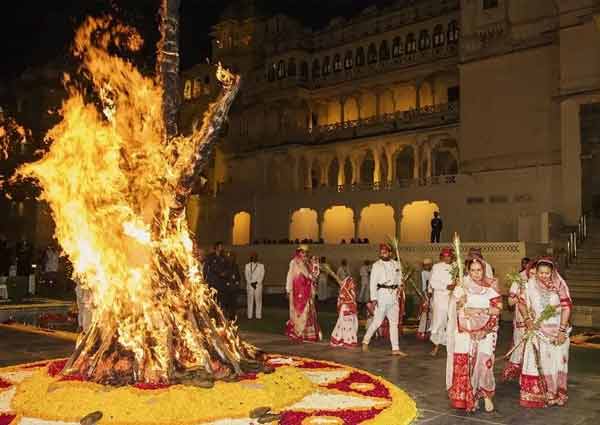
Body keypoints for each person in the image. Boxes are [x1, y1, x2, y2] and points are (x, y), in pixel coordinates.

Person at [446, 257, 502, 412]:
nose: (476, 274)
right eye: (472, 270)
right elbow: (457, 311)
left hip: (487, 330)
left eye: (479, 270)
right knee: (469, 363)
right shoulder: (462, 286)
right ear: (468, 271)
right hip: (466, 331)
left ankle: (486, 396)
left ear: (484, 270)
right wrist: (460, 302)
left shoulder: (492, 285)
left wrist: (479, 312)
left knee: (484, 363)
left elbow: (497, 310)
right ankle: (472, 396)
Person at [517, 257, 572, 408]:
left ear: (552, 272)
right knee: (540, 362)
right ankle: (540, 394)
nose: (544, 276)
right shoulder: (529, 285)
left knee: (556, 362)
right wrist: (528, 320)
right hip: (538, 330)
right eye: (541, 273)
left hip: (557, 331)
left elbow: (566, 307)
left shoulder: (559, 285)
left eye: (547, 273)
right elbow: (521, 303)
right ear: (536, 272)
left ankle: (556, 393)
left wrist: (562, 330)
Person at [362, 243, 406, 356]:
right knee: (377, 321)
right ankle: (365, 341)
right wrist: (374, 299)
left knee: (394, 323)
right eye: (381, 252)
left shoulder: (396, 264)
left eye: (385, 252)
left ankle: (395, 348)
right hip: (381, 295)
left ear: (390, 253)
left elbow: (399, 279)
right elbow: (372, 283)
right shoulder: (376, 265)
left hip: (394, 296)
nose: (383, 254)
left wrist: (401, 284)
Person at [503, 260, 536, 381]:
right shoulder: (519, 279)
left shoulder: (542, 282)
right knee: (520, 345)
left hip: (537, 322)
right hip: (522, 320)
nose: (534, 275)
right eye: (531, 273)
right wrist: (521, 293)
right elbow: (510, 302)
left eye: (535, 273)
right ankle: (517, 372)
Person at [285, 245, 322, 342]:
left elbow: (313, 277)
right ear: (298, 252)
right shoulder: (293, 262)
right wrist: (288, 289)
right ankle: (298, 333)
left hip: (307, 291)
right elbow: (290, 276)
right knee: (298, 313)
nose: (304, 254)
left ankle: (308, 334)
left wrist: (315, 266)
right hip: (297, 292)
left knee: (308, 311)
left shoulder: (307, 263)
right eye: (302, 252)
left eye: (306, 252)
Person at [429, 248, 454, 356]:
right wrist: (446, 286)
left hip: (452, 298)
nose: (447, 258)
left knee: (451, 322)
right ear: (441, 257)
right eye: (445, 256)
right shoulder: (436, 267)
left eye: (449, 256)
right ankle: (436, 346)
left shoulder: (455, 267)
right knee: (439, 322)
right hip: (440, 299)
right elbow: (433, 283)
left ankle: (450, 346)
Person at [330, 274, 359, 348]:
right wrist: (347, 307)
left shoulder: (351, 291)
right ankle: (348, 341)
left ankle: (341, 340)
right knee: (347, 325)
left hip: (351, 310)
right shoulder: (344, 291)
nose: (353, 284)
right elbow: (341, 302)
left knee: (351, 325)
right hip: (346, 309)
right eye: (352, 283)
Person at [203, 242, 230, 315]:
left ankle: (221, 313)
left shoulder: (223, 257)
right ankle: (212, 314)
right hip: (213, 281)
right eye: (219, 246)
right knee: (212, 298)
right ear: (216, 247)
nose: (221, 248)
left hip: (221, 282)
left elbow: (228, 268)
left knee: (221, 298)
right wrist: (205, 278)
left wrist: (225, 273)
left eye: (222, 246)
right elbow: (206, 268)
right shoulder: (210, 257)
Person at [416, 258, 433, 340]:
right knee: (425, 313)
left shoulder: (434, 272)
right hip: (426, 295)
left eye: (429, 264)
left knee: (432, 313)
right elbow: (423, 286)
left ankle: (430, 331)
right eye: (426, 265)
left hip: (434, 295)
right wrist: (425, 296)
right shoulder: (423, 273)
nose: (427, 266)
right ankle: (422, 331)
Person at [244, 252, 265, 319]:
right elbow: (246, 275)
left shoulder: (261, 266)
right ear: (251, 257)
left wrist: (257, 283)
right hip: (250, 286)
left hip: (258, 286)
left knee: (258, 301)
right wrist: (250, 283)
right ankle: (249, 316)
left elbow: (262, 275)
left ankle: (258, 316)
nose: (254, 257)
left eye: (255, 256)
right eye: (252, 256)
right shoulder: (247, 265)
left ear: (257, 257)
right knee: (250, 301)